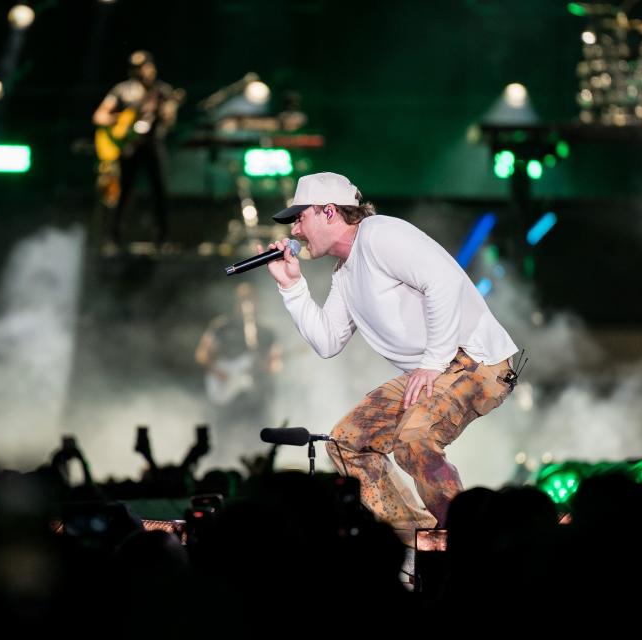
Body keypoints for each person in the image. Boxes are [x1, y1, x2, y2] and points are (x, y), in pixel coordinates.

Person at [261, 172, 519, 545]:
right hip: (436, 369)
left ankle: (466, 542)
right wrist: (292, 287)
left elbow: (442, 281)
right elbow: (328, 341)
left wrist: (433, 360)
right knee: (347, 442)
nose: (296, 231)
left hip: (476, 361)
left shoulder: (380, 234)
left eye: (300, 218)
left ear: (329, 212)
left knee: (413, 439)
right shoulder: (345, 273)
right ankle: (414, 538)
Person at [92, 50, 181, 247]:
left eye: (144, 66)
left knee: (160, 192)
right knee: (122, 192)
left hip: (153, 146)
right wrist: (123, 119)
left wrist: (166, 112)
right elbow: (99, 116)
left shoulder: (162, 91)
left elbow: (169, 120)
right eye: (137, 68)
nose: (142, 72)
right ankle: (113, 237)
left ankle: (162, 238)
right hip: (129, 148)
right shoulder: (122, 90)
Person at [195, 282, 282, 463]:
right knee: (223, 438)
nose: (246, 304)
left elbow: (275, 364)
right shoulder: (221, 326)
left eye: (250, 300)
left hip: (257, 395)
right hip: (228, 395)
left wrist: (266, 367)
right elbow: (203, 354)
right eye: (242, 300)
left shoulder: (266, 332)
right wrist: (218, 371)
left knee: (259, 437)